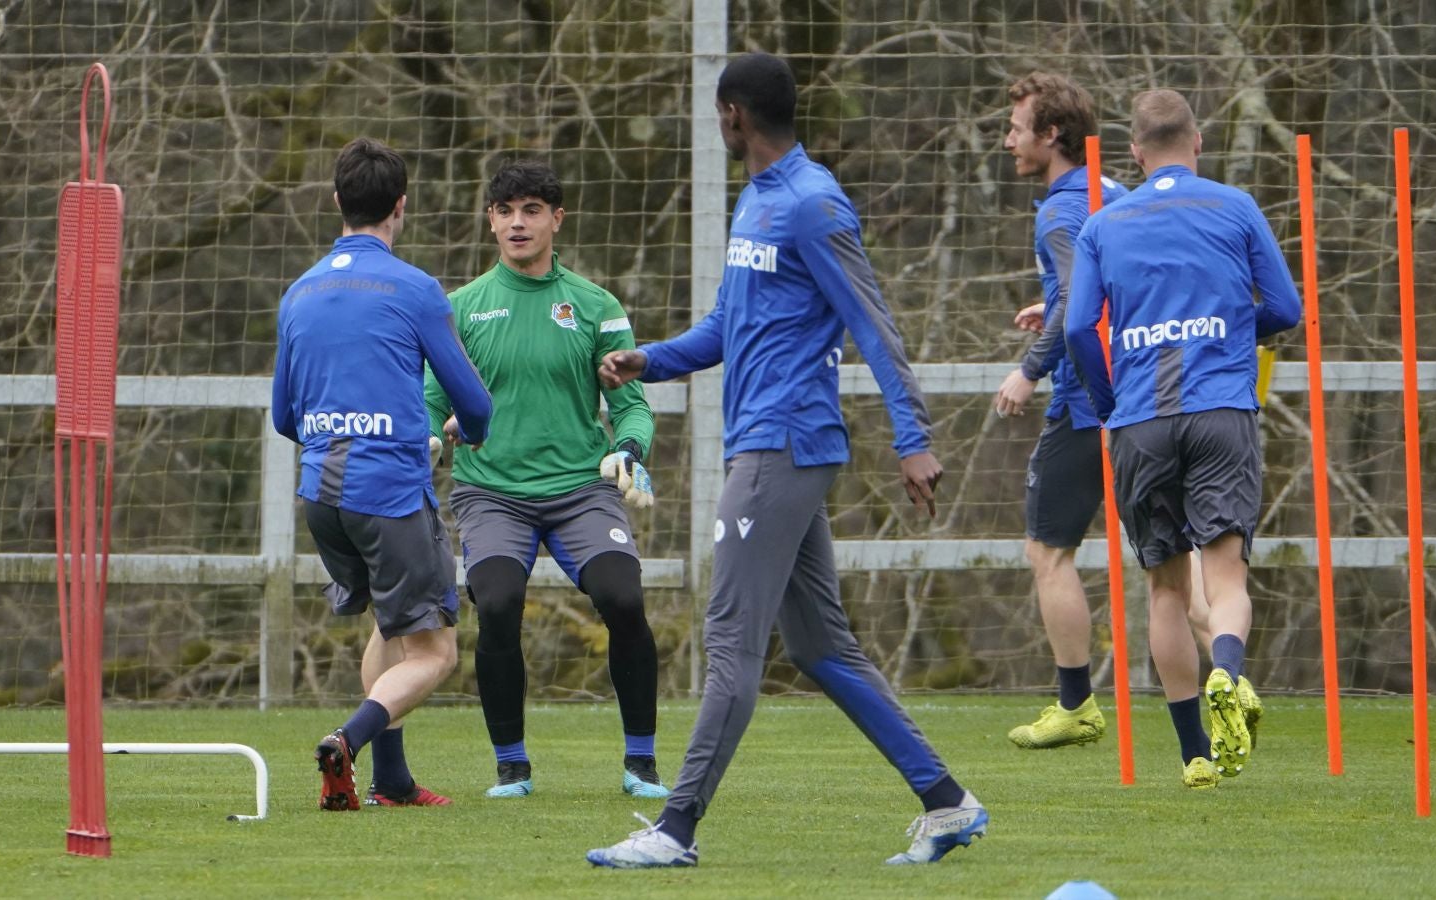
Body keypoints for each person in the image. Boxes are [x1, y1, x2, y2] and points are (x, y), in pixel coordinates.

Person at [585, 51, 986, 869]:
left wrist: (912, 438)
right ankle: (946, 802)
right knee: (820, 647)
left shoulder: (812, 203)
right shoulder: (757, 201)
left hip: (780, 447)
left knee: (731, 640)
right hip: (771, 449)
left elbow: (872, 325)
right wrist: (647, 359)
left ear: (733, 114)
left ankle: (675, 828)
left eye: (717, 113)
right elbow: (729, 327)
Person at [1063, 90, 1300, 789]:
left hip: (1139, 419)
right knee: (1223, 577)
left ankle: (1193, 752)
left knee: (1164, 590)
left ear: (1134, 155)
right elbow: (1284, 308)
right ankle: (1227, 670)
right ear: (1196, 143)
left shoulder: (1103, 226)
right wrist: (1224, 330)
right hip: (1219, 408)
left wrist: (1110, 402)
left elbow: (1079, 330)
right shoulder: (1232, 206)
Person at [424, 160, 669, 800]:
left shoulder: (596, 306)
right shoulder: (460, 310)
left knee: (625, 599)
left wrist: (631, 449)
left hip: (581, 490)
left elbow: (632, 404)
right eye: (505, 211)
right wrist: (427, 435)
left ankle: (640, 764)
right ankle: (512, 767)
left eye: (531, 210)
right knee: (498, 607)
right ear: (490, 221)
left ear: (556, 219)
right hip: (491, 492)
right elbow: (428, 401)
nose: (517, 223)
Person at [271, 137, 493, 810]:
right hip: (389, 493)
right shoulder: (415, 288)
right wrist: (464, 433)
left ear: (337, 202)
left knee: (390, 629)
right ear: (401, 206)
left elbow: (285, 414)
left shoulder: (299, 292)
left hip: (321, 496)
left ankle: (391, 783)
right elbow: (473, 403)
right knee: (435, 651)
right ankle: (349, 739)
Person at [993, 73, 1129, 751]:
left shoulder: (1057, 209)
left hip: (1086, 402)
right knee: (1178, 557)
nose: (1007, 138)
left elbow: (1082, 303)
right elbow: (1110, 287)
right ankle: (1230, 677)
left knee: (1047, 551)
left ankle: (1074, 704)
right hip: (1146, 397)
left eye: (1017, 127)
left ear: (1052, 136)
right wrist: (1051, 303)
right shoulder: (1115, 194)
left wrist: (1027, 371)